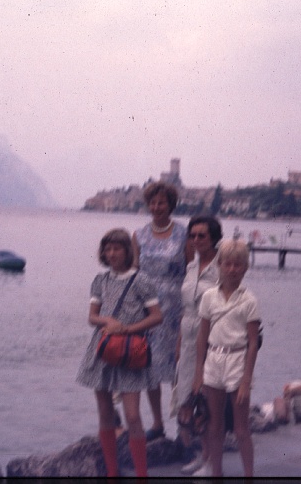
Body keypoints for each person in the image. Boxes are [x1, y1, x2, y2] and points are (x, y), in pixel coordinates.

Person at [76, 228, 163, 477]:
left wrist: (127, 328)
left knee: (133, 416)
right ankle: (112, 473)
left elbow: (157, 317)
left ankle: (141, 475)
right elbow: (92, 317)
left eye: (117, 248)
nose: (112, 253)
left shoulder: (142, 281)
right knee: (105, 413)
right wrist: (108, 322)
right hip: (102, 350)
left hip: (130, 352)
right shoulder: (100, 281)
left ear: (128, 251)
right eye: (108, 249)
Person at [191, 238, 261, 477]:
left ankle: (248, 475)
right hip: (213, 360)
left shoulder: (249, 301)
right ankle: (216, 473)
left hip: (237, 361)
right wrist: (198, 373)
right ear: (219, 265)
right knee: (214, 424)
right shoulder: (209, 297)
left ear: (245, 268)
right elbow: (202, 335)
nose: (232, 270)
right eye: (227, 264)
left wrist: (246, 380)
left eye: (238, 265)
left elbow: (253, 343)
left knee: (241, 428)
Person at [131, 181, 190, 441]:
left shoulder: (184, 234)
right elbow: (134, 272)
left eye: (162, 202)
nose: (157, 207)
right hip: (147, 310)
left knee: (180, 367)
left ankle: (183, 424)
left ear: (171, 205)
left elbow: (191, 272)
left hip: (176, 308)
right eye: (153, 202)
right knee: (149, 367)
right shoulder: (139, 235)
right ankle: (157, 423)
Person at [171, 215, 223, 473]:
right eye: (192, 235)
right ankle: (200, 455)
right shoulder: (191, 266)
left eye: (202, 235)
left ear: (213, 237)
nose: (196, 240)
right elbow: (185, 308)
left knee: (206, 401)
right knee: (188, 400)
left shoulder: (221, 268)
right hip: (188, 336)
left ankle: (212, 462)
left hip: (211, 338)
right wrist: (179, 342)